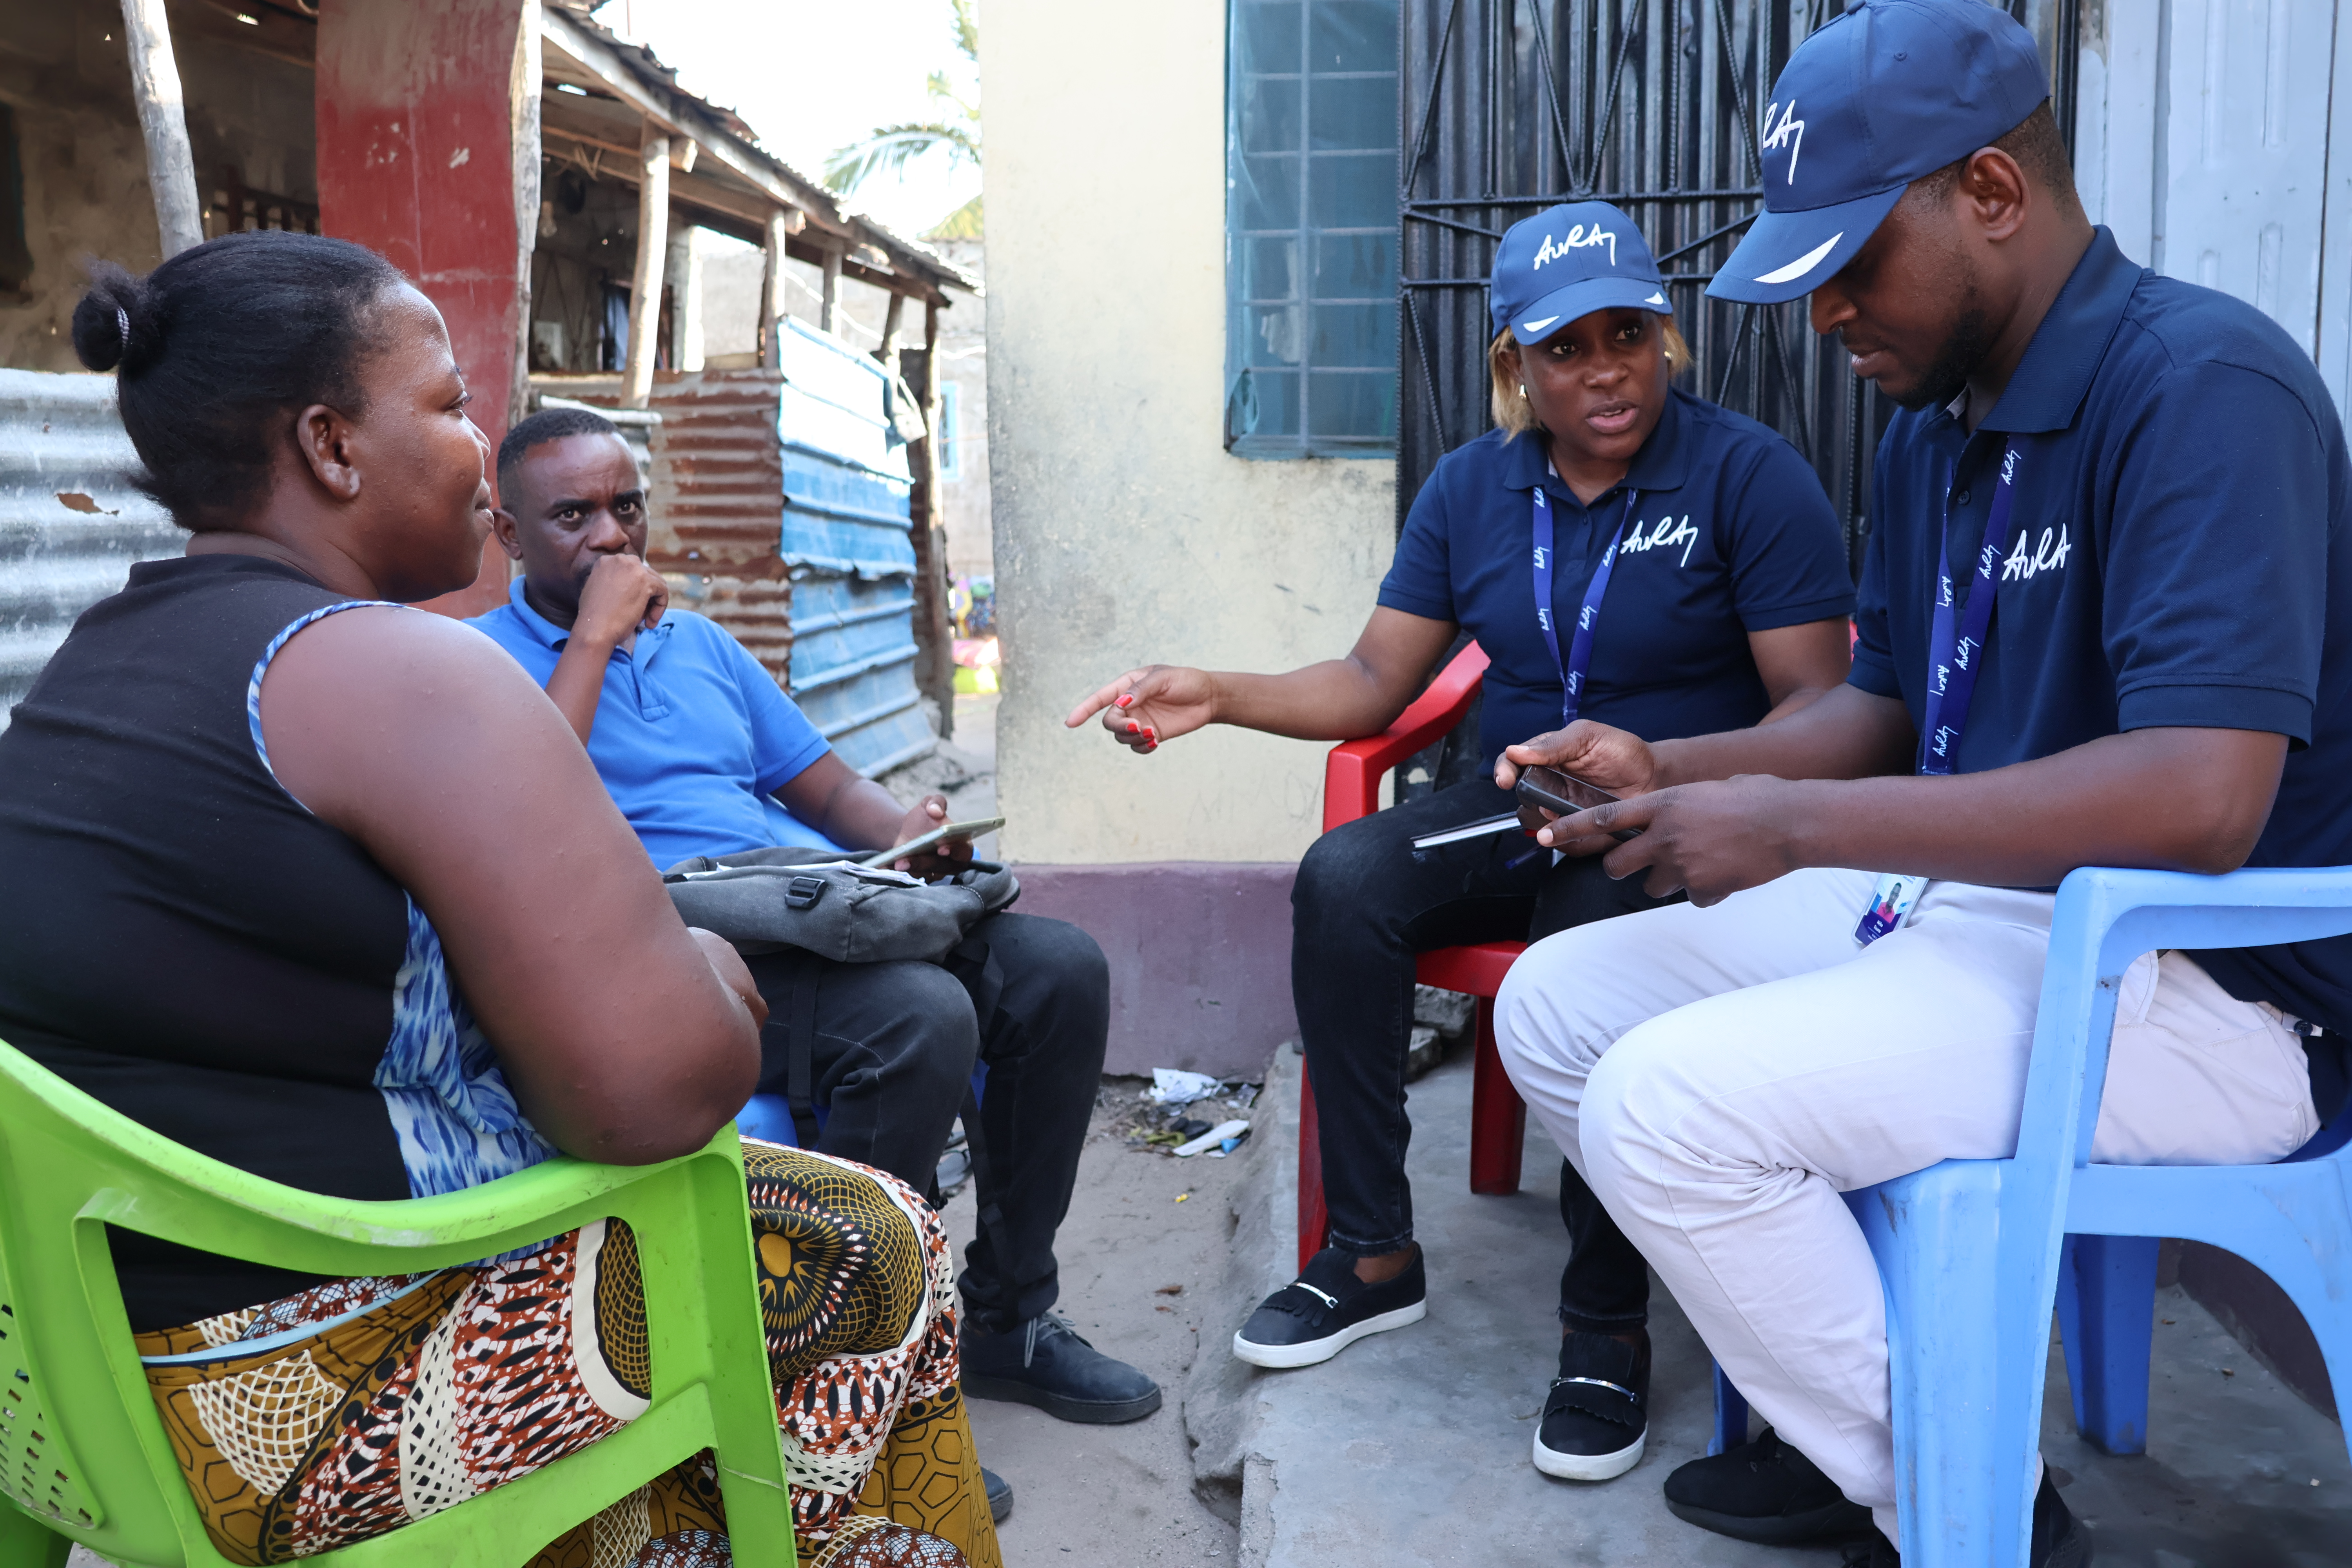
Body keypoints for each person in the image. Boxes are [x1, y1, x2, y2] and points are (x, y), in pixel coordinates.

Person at [1492, 2, 2352, 1563]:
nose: (1823, 315)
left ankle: (1964, 1511)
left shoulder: (2207, 390)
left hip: (2213, 983)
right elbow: (1880, 706)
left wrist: (1793, 827)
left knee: (1668, 1109)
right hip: (1994, 918)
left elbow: (2202, 797)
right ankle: (1918, 1456)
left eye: (1850, 262)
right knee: (1554, 1005)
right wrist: (1671, 768)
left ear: (1994, 195)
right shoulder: (1933, 428)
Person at [0, 231, 1000, 1568]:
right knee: (869, 1240)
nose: (483, 452)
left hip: (63, 1378)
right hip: (301, 1397)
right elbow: (656, 1097)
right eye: (453, 404)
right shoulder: (404, 673)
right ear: (330, 446)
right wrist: (701, 959)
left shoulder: (92, 665)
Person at [1068, 201, 1856, 1482]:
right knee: (1345, 879)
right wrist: (1222, 692)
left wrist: (1673, 772)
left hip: (1673, 811)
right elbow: (1378, 680)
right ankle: (1371, 1253)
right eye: (1566, 349)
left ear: (1667, 338)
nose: (1605, 370)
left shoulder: (1745, 475)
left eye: (1630, 335)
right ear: (1515, 367)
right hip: (1516, 799)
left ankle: (1605, 1325)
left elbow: (1821, 709)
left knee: (1596, 943)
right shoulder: (1473, 488)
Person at [467, 407, 1163, 1437]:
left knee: (1056, 968)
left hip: (797, 907)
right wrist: (596, 638)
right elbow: (530, 819)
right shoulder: (478, 664)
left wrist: (912, 833)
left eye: (626, 507)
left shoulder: (701, 646)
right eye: (573, 516)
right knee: (917, 1018)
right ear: (511, 536)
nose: (612, 537)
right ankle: (837, 1386)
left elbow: (833, 797)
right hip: (664, 950)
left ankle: (1009, 1319)